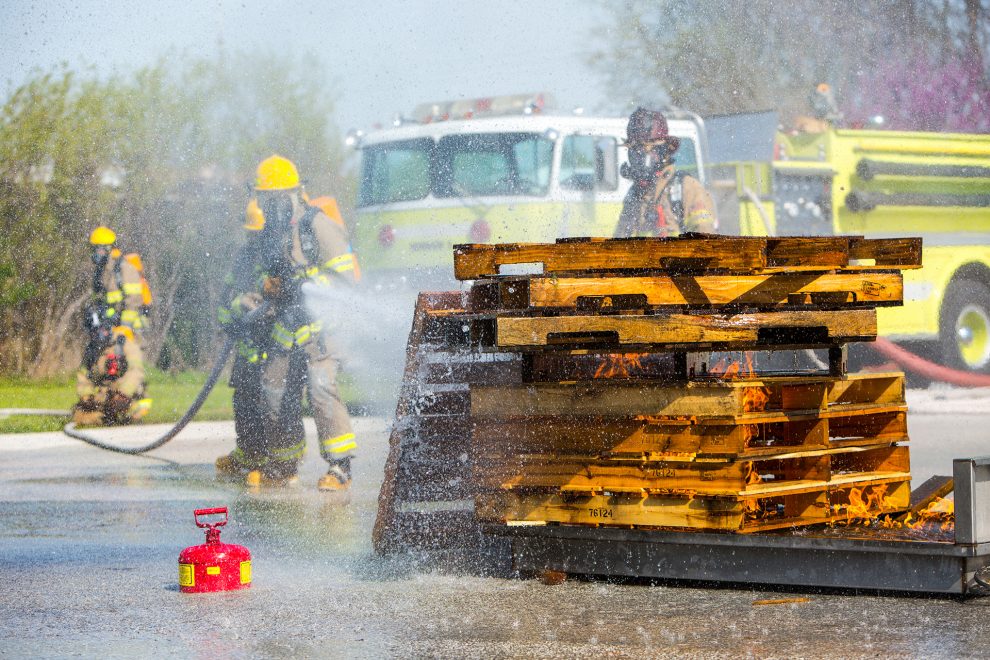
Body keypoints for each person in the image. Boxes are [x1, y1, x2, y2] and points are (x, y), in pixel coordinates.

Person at [215, 155, 359, 490]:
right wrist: (266, 288)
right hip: (284, 327)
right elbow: (265, 275)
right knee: (274, 391)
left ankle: (340, 467)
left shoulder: (316, 225)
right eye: (266, 199)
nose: (271, 205)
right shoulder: (268, 233)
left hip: (321, 328)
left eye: (277, 198)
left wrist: (307, 286)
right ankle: (283, 465)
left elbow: (345, 277)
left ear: (295, 195)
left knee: (321, 388)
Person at [73, 226, 153, 425]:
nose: (95, 254)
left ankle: (133, 404)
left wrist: (124, 328)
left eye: (98, 249)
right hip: (111, 328)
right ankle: (102, 402)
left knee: (131, 365)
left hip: (129, 328)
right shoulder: (102, 271)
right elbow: (102, 302)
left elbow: (133, 300)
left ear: (108, 248)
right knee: (103, 364)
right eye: (93, 249)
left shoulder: (124, 268)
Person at [613, 107, 718, 238]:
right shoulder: (635, 194)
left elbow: (705, 245)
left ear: (663, 149)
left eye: (646, 148)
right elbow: (620, 244)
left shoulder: (686, 187)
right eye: (635, 148)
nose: (639, 156)